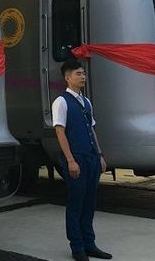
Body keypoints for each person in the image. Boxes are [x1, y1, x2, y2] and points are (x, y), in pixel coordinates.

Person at [52, 59, 112, 261]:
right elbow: (60, 133)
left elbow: (92, 130)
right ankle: (77, 248)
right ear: (67, 77)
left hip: (92, 158)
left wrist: (100, 155)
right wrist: (70, 160)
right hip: (76, 158)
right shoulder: (61, 102)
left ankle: (90, 244)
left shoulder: (86, 102)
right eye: (78, 73)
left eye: (83, 73)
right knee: (76, 204)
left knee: (89, 203)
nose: (83, 76)